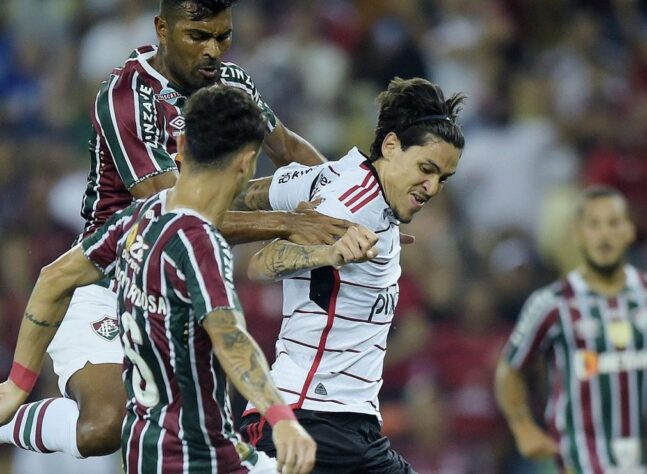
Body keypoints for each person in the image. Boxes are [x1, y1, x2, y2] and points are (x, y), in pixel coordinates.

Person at [0, 0, 350, 459]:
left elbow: (288, 149)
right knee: (105, 428)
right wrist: (289, 222)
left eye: (223, 37)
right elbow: (175, 213)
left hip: (182, 289)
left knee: (200, 438)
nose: (213, 51)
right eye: (198, 36)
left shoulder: (233, 84)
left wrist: (352, 204)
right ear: (162, 29)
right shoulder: (127, 94)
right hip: (112, 275)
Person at [235, 76, 466, 473]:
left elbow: (251, 194)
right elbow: (261, 262)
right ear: (391, 146)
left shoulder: (339, 176)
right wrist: (328, 251)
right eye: (426, 169)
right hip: (310, 417)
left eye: (442, 179)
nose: (432, 188)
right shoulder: (353, 203)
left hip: (347, 424)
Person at [494, 185, 647, 474]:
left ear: (629, 230)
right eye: (594, 225)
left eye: (613, 223)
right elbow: (509, 370)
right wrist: (523, 427)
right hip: (579, 462)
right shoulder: (551, 305)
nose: (604, 235)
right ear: (578, 234)